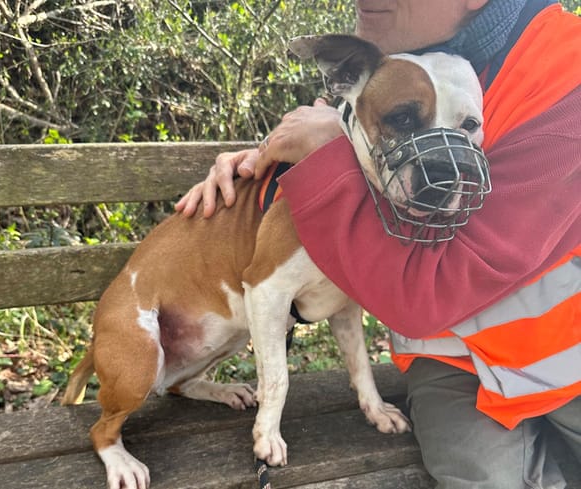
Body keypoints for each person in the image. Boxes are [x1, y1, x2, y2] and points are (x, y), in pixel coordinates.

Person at [176, 1, 581, 488]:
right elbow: (359, 142)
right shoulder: (407, 57)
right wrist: (261, 164)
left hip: (566, 357)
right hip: (449, 360)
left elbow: (434, 287)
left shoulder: (567, 73)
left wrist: (326, 154)